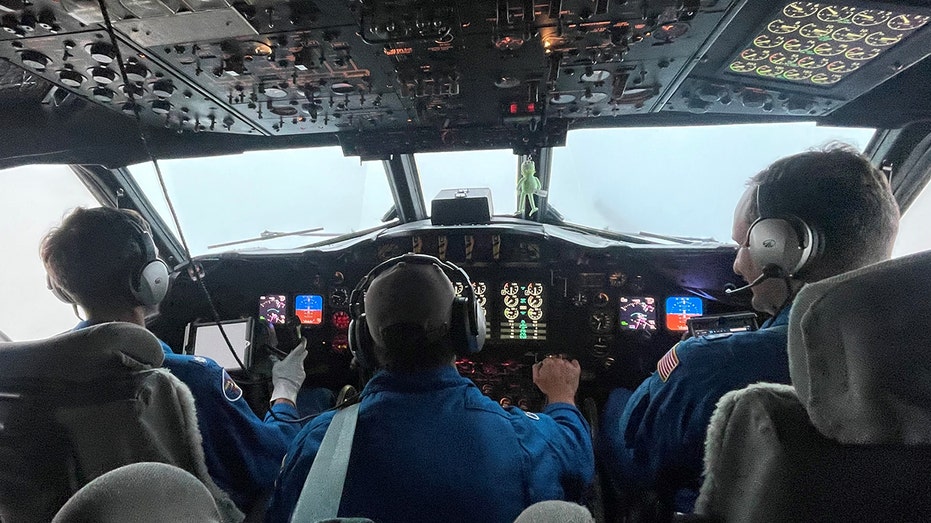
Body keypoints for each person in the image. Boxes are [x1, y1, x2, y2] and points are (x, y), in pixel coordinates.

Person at [600, 144, 900, 513]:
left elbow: (639, 454)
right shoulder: (911, 358)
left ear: (785, 250)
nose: (739, 265)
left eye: (744, 244)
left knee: (610, 403)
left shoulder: (709, 365)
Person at [266, 255, 595, 522]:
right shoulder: (523, 437)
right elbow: (578, 461)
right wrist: (562, 397)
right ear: (467, 328)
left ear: (361, 341)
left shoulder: (319, 444)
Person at [40, 206, 311, 514]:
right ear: (146, 278)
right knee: (319, 407)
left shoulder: (45, 378)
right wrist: (285, 389)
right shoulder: (189, 378)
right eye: (157, 260)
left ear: (65, 289)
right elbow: (274, 460)